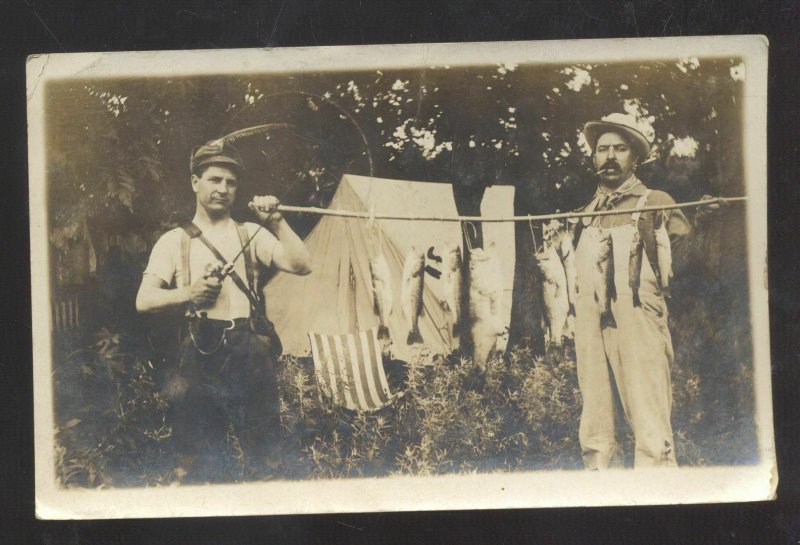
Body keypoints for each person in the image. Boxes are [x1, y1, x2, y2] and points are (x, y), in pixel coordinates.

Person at [136, 139, 311, 481]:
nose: (223, 188)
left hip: (250, 346)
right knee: (199, 459)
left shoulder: (251, 233)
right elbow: (144, 300)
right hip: (200, 348)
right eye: (215, 179)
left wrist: (276, 222)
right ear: (194, 182)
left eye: (231, 182)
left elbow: (302, 264)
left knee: (266, 454)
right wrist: (189, 293)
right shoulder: (173, 241)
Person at [571, 113, 718, 469]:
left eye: (619, 149)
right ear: (593, 158)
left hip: (639, 324)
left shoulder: (655, 201)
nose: (609, 156)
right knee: (595, 426)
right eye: (602, 149)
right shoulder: (584, 214)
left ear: (635, 158)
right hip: (591, 328)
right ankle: (601, 500)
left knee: (650, 424)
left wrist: (704, 224)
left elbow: (687, 261)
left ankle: (657, 507)